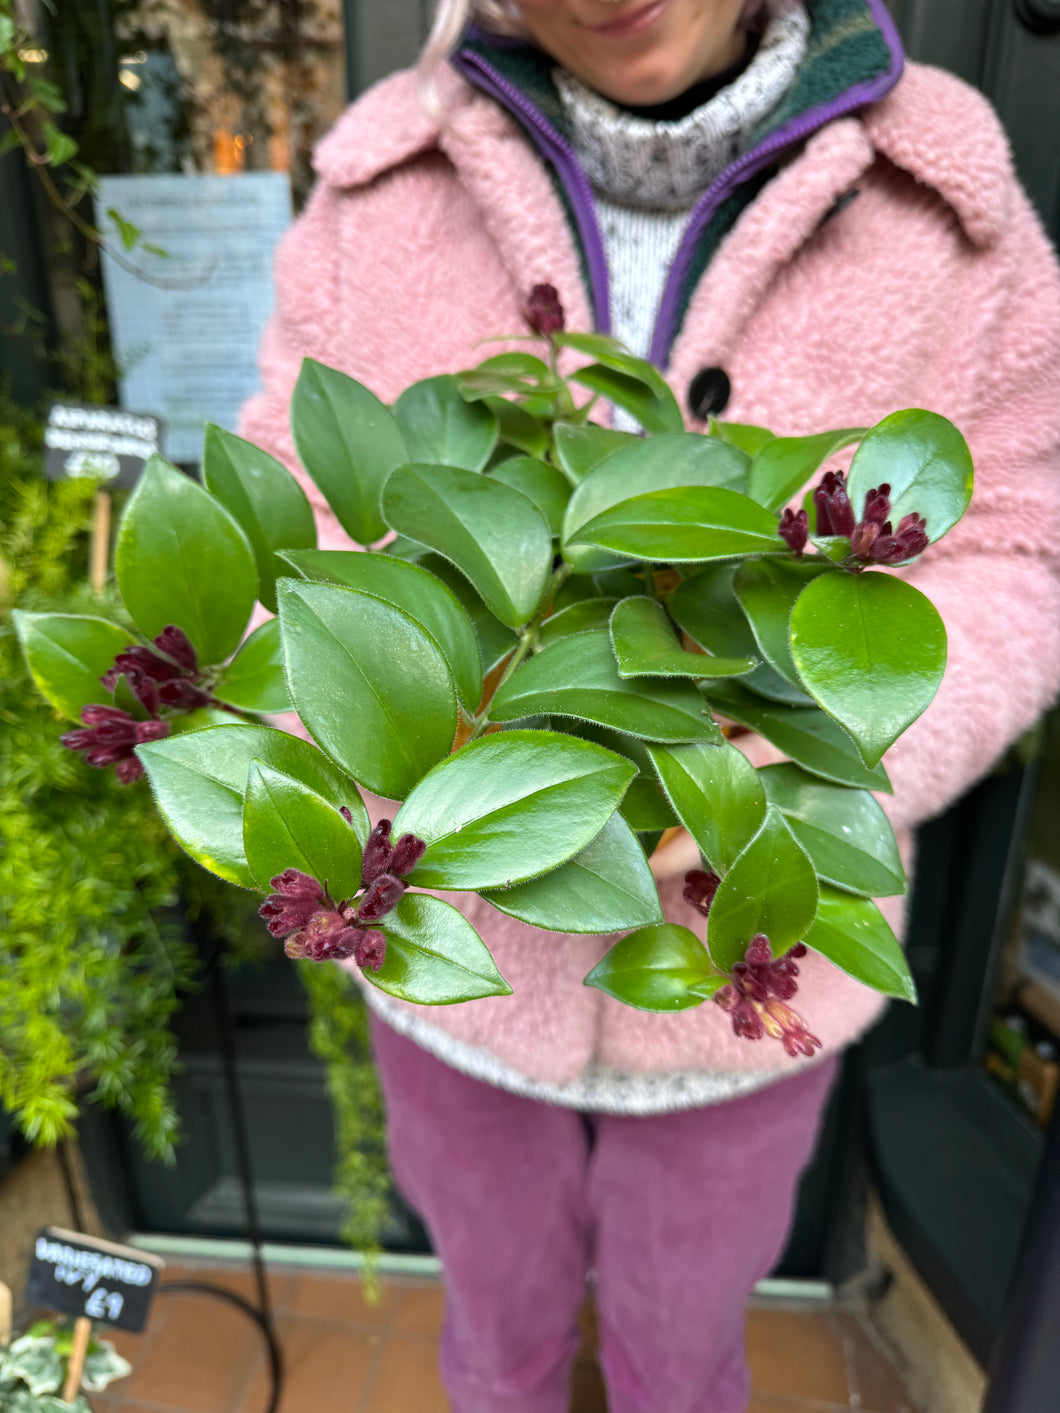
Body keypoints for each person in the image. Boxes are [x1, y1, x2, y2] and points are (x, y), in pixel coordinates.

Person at [240, 2, 1060, 1409]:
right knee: (493, 1351)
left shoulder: (945, 190)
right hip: (461, 958)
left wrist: (838, 742)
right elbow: (286, 511)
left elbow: (1025, 541)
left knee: (684, 1362)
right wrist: (353, 717)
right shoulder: (388, 173)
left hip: (749, 977)